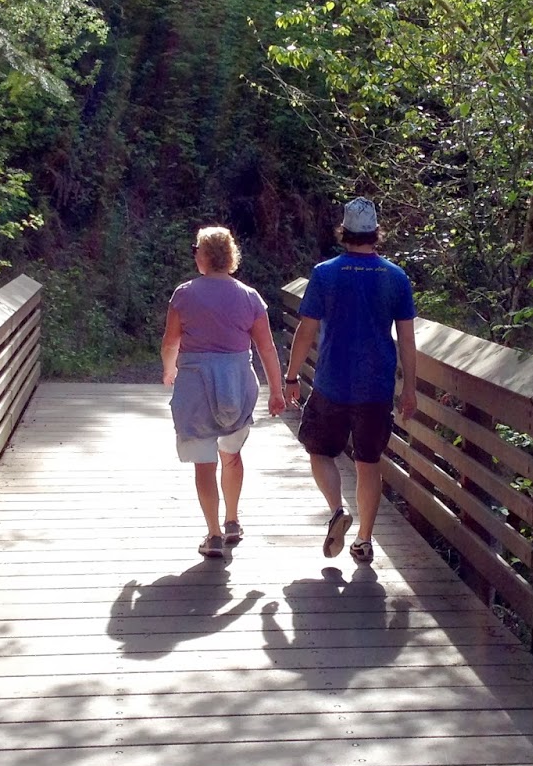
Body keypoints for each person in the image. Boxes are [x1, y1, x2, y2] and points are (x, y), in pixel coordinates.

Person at [282, 197, 417, 565]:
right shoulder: (396, 277)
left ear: (344, 233)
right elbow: (406, 338)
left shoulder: (325, 273)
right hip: (376, 388)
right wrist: (410, 389)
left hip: (331, 383)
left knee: (319, 451)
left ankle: (337, 509)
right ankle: (364, 540)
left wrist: (291, 377)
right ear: (376, 233)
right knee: (368, 462)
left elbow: (306, 330)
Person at [162, 226, 286, 557]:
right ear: (230, 256)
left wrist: (169, 369)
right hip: (236, 383)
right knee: (231, 455)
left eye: (196, 249)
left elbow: (171, 341)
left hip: (195, 385)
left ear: (203, 255)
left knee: (204, 463)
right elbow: (267, 348)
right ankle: (232, 521)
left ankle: (213, 534)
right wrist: (276, 390)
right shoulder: (249, 296)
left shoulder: (184, 294)